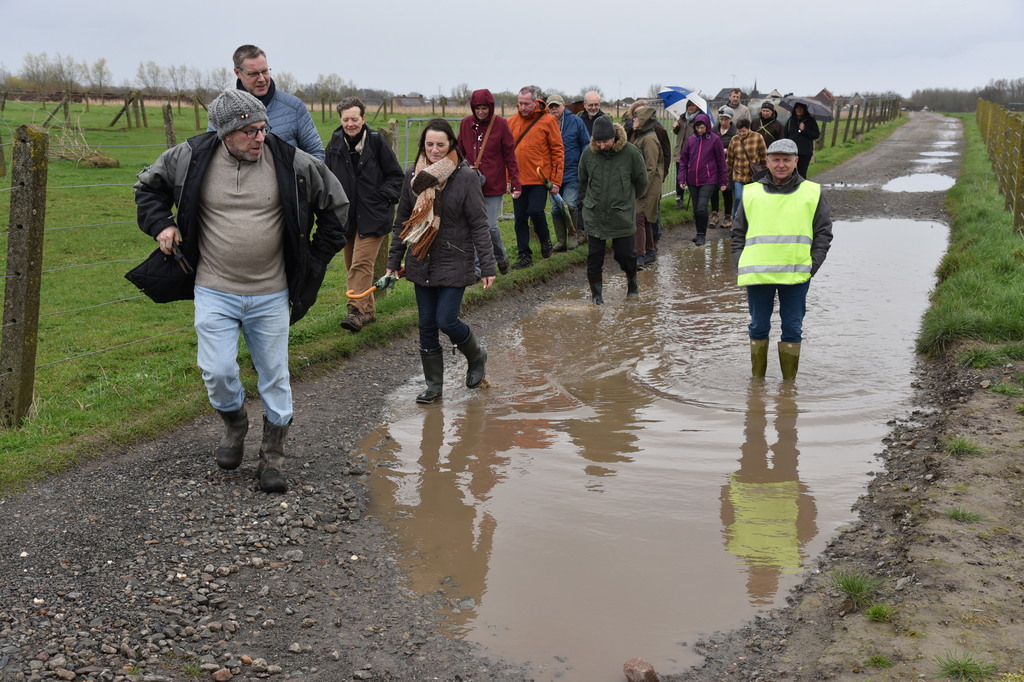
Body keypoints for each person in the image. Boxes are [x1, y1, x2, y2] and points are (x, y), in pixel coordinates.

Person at [135, 89, 349, 492]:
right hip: (214, 288)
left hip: (271, 293)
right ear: (225, 132)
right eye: (250, 131)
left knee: (275, 376)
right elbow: (147, 188)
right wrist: (162, 224)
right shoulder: (191, 157)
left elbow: (336, 208)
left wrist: (313, 259)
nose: (260, 137)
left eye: (263, 127)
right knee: (217, 371)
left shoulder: (292, 162)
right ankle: (235, 424)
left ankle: (273, 457)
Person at [387, 119, 496, 404]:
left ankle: (476, 354)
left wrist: (487, 265)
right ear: (423, 145)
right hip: (421, 259)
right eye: (429, 144)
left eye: (441, 145)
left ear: (451, 145)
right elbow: (403, 223)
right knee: (426, 325)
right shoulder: (413, 175)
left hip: (455, 259)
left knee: (446, 320)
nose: (434, 150)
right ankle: (434, 387)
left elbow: (479, 224)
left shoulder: (466, 177)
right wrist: (393, 261)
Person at [730, 138, 833, 381]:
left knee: (792, 329)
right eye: (776, 159)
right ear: (767, 162)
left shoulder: (812, 192)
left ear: (796, 161)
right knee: (758, 328)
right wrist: (739, 264)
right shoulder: (750, 192)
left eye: (787, 160)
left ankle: (788, 388)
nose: (781, 165)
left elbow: (823, 234)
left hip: (796, 275)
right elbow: (737, 233)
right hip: (758, 275)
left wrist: (812, 266)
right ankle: (758, 384)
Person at [325, 96, 405, 333]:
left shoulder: (377, 143)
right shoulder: (335, 145)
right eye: (346, 119)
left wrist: (382, 197)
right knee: (352, 265)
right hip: (347, 217)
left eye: (355, 119)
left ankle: (355, 312)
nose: (350, 123)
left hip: (374, 215)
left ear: (363, 118)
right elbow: (328, 179)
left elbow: (396, 177)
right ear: (340, 119)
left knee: (360, 264)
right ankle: (368, 312)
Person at [209, 45, 324, 161]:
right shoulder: (222, 113)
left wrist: (294, 178)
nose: (261, 79)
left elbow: (316, 154)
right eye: (253, 74)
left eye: (264, 71)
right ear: (237, 73)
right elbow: (212, 157)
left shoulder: (294, 107)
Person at [578, 117, 647, 305]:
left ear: (614, 137)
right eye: (597, 142)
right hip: (595, 214)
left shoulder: (631, 153)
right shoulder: (588, 154)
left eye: (605, 142)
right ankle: (596, 297)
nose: (601, 146)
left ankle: (632, 283)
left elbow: (641, 182)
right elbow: (583, 179)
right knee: (594, 257)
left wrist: (626, 199)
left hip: (621, 215)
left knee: (624, 255)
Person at [457, 88, 522, 275]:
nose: (481, 112)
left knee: (490, 226)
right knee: (474, 226)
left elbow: (510, 156)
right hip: (471, 184)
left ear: (490, 107)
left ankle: (500, 256)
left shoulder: (501, 124)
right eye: (477, 108)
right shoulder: (465, 124)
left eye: (484, 108)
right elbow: (459, 153)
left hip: (493, 184)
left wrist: (516, 183)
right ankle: (478, 269)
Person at [506, 86, 564, 269]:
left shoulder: (548, 121)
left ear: (535, 102)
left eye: (526, 104)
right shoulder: (511, 122)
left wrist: (555, 180)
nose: (523, 107)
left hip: (540, 178)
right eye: (520, 103)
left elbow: (557, 151)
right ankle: (524, 255)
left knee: (536, 211)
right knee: (520, 218)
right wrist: (508, 178)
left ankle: (545, 238)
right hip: (518, 179)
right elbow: (507, 153)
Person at [545, 94, 590, 251]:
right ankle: (561, 240)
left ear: (563, 105)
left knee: (570, 204)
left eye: (557, 105)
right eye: (551, 106)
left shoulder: (576, 122)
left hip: (572, 171)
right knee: (556, 208)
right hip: (551, 175)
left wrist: (583, 164)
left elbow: (586, 143)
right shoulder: (544, 123)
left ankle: (573, 236)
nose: (554, 109)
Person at [678, 112, 728, 247]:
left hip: (709, 179)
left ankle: (701, 235)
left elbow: (721, 162)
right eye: (698, 127)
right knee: (696, 209)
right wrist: (681, 178)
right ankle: (698, 231)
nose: (700, 130)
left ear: (707, 126)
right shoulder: (691, 140)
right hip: (692, 180)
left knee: (701, 208)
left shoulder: (715, 140)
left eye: (703, 127)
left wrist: (723, 181)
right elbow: (683, 161)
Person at [631, 106, 664, 268]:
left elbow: (650, 168)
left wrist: (642, 189)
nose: (634, 120)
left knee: (639, 218)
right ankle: (650, 250)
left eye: (637, 118)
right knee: (645, 219)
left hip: (648, 186)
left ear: (643, 120)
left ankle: (639, 254)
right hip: (646, 184)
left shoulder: (649, 139)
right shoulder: (643, 135)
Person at [726, 119, 768, 222]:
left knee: (753, 200)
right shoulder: (734, 140)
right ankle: (736, 221)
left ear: (748, 128)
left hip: (753, 176)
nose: (741, 134)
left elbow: (764, 156)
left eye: (743, 131)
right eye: (739, 131)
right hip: (738, 175)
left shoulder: (757, 137)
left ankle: (752, 221)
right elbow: (730, 158)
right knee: (739, 198)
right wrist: (727, 174)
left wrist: (766, 172)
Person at [710, 106, 738, 229]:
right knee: (713, 190)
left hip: (728, 165)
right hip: (714, 164)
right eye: (721, 119)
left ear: (731, 119)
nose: (723, 122)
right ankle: (714, 214)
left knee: (727, 190)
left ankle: (728, 217)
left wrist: (728, 150)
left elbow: (738, 148)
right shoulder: (714, 129)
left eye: (726, 119)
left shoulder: (735, 132)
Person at [671, 99, 701, 208]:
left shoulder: (699, 119)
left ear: (697, 107)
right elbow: (676, 132)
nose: (691, 107)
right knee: (680, 176)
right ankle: (679, 197)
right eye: (689, 105)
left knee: (691, 176)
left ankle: (695, 197)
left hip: (692, 152)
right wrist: (675, 127)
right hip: (680, 152)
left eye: (693, 105)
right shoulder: (682, 117)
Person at [784, 102, 821, 180]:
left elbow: (816, 135)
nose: (799, 110)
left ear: (805, 110)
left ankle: (801, 189)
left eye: (801, 108)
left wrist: (804, 130)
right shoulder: (791, 120)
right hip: (791, 151)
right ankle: (791, 189)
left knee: (802, 173)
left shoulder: (810, 120)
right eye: (797, 108)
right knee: (790, 172)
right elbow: (785, 134)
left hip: (805, 152)